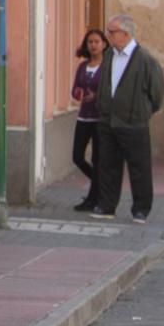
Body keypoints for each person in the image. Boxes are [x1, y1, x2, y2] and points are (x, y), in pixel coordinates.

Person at [89, 14, 164, 223]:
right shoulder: (109, 57)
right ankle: (106, 206)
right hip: (108, 121)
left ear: (125, 34)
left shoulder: (146, 60)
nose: (108, 35)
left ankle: (141, 208)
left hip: (134, 123)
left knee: (139, 168)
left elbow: (157, 93)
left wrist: (142, 112)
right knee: (108, 165)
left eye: (111, 32)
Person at [70, 29, 107, 212]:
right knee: (77, 156)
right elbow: (75, 89)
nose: (93, 45)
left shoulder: (107, 67)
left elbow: (111, 91)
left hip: (100, 119)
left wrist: (97, 96)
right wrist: (79, 93)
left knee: (98, 158)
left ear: (104, 44)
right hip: (84, 117)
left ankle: (93, 199)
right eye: (90, 42)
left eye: (96, 42)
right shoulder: (83, 67)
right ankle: (101, 185)